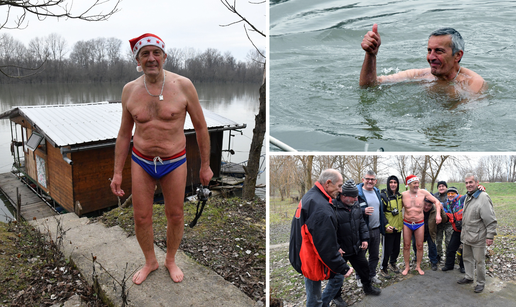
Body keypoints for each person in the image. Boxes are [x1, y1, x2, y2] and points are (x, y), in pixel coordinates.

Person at [110, 33, 213, 285]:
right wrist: (117, 172)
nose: (151, 58)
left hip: (174, 161)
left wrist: (206, 166)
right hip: (141, 160)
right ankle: (150, 261)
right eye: (145, 54)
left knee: (175, 215)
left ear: (165, 57)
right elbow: (124, 133)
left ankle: (170, 259)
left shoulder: (183, 86)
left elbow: (201, 127)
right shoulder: (129, 90)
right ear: (138, 59)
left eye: (156, 53)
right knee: (141, 217)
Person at [289, 169, 354, 307]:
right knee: (315, 298)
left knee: (314, 294)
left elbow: (318, 232)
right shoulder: (320, 207)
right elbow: (323, 245)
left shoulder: (312, 196)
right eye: (339, 186)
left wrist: (336, 247)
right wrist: (343, 267)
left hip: (304, 251)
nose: (341, 190)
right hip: (310, 256)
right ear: (328, 183)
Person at [359, 24, 485, 93]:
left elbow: (463, 113)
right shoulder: (421, 75)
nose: (431, 57)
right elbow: (369, 86)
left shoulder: (473, 83)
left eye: (439, 51)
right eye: (429, 50)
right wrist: (371, 55)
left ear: (458, 55)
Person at [332, 180, 381, 306]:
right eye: (353, 197)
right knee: (338, 275)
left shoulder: (355, 205)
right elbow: (328, 231)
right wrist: (336, 247)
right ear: (343, 195)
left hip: (355, 246)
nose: (356, 199)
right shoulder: (332, 207)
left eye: (356, 196)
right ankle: (336, 296)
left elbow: (362, 223)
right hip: (341, 250)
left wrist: (364, 239)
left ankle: (367, 287)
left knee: (364, 268)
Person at [458, 173, 497, 293]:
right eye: (467, 182)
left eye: (471, 182)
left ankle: (480, 283)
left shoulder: (483, 197)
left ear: (477, 183)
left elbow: (490, 219)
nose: (469, 185)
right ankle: (469, 277)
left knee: (479, 261)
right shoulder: (468, 196)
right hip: (467, 235)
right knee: (467, 258)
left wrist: (490, 236)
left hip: (478, 236)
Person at [401, 175, 442, 275]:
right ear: (409, 184)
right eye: (414, 183)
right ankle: (407, 267)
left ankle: (418, 267)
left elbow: (437, 201)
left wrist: (438, 215)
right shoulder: (403, 195)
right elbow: (396, 208)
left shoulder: (423, 193)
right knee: (406, 246)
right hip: (407, 223)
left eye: (418, 183)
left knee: (419, 246)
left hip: (419, 223)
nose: (417, 185)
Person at [356, 170, 386, 286]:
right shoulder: (357, 193)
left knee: (374, 255)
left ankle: (372, 275)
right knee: (361, 256)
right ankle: (359, 276)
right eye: (367, 178)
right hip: (363, 231)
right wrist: (362, 211)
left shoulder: (377, 192)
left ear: (375, 181)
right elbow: (351, 210)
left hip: (376, 229)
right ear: (363, 179)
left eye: (372, 179)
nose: (370, 181)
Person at [412, 197, 449, 271]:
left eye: (429, 205)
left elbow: (445, 220)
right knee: (415, 244)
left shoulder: (436, 209)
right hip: (418, 230)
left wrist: (441, 210)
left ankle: (433, 261)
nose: (426, 207)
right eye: (425, 204)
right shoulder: (417, 208)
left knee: (432, 246)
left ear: (432, 205)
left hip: (430, 230)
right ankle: (417, 256)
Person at [379, 175, 403, 278]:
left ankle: (392, 263)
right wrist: (386, 225)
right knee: (386, 250)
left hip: (398, 228)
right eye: (391, 182)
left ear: (397, 184)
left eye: (395, 182)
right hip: (389, 229)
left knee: (396, 249)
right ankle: (383, 268)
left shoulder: (400, 196)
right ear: (388, 184)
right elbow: (381, 213)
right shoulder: (383, 196)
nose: (393, 184)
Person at [441, 187, 465, 273]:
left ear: (457, 193)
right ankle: (449, 265)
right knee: (451, 248)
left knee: (464, 250)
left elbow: (473, 194)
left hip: (466, 230)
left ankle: (463, 267)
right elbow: (435, 202)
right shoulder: (446, 204)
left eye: (452, 193)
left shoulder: (462, 199)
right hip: (456, 231)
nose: (450, 195)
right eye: (449, 193)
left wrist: (480, 188)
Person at [433, 181, 453, 263]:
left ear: (446, 187)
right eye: (439, 186)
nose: (441, 188)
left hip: (449, 223)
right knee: (438, 240)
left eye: (443, 186)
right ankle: (438, 255)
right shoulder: (434, 196)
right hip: (438, 223)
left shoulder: (450, 195)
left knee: (449, 240)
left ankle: (449, 256)